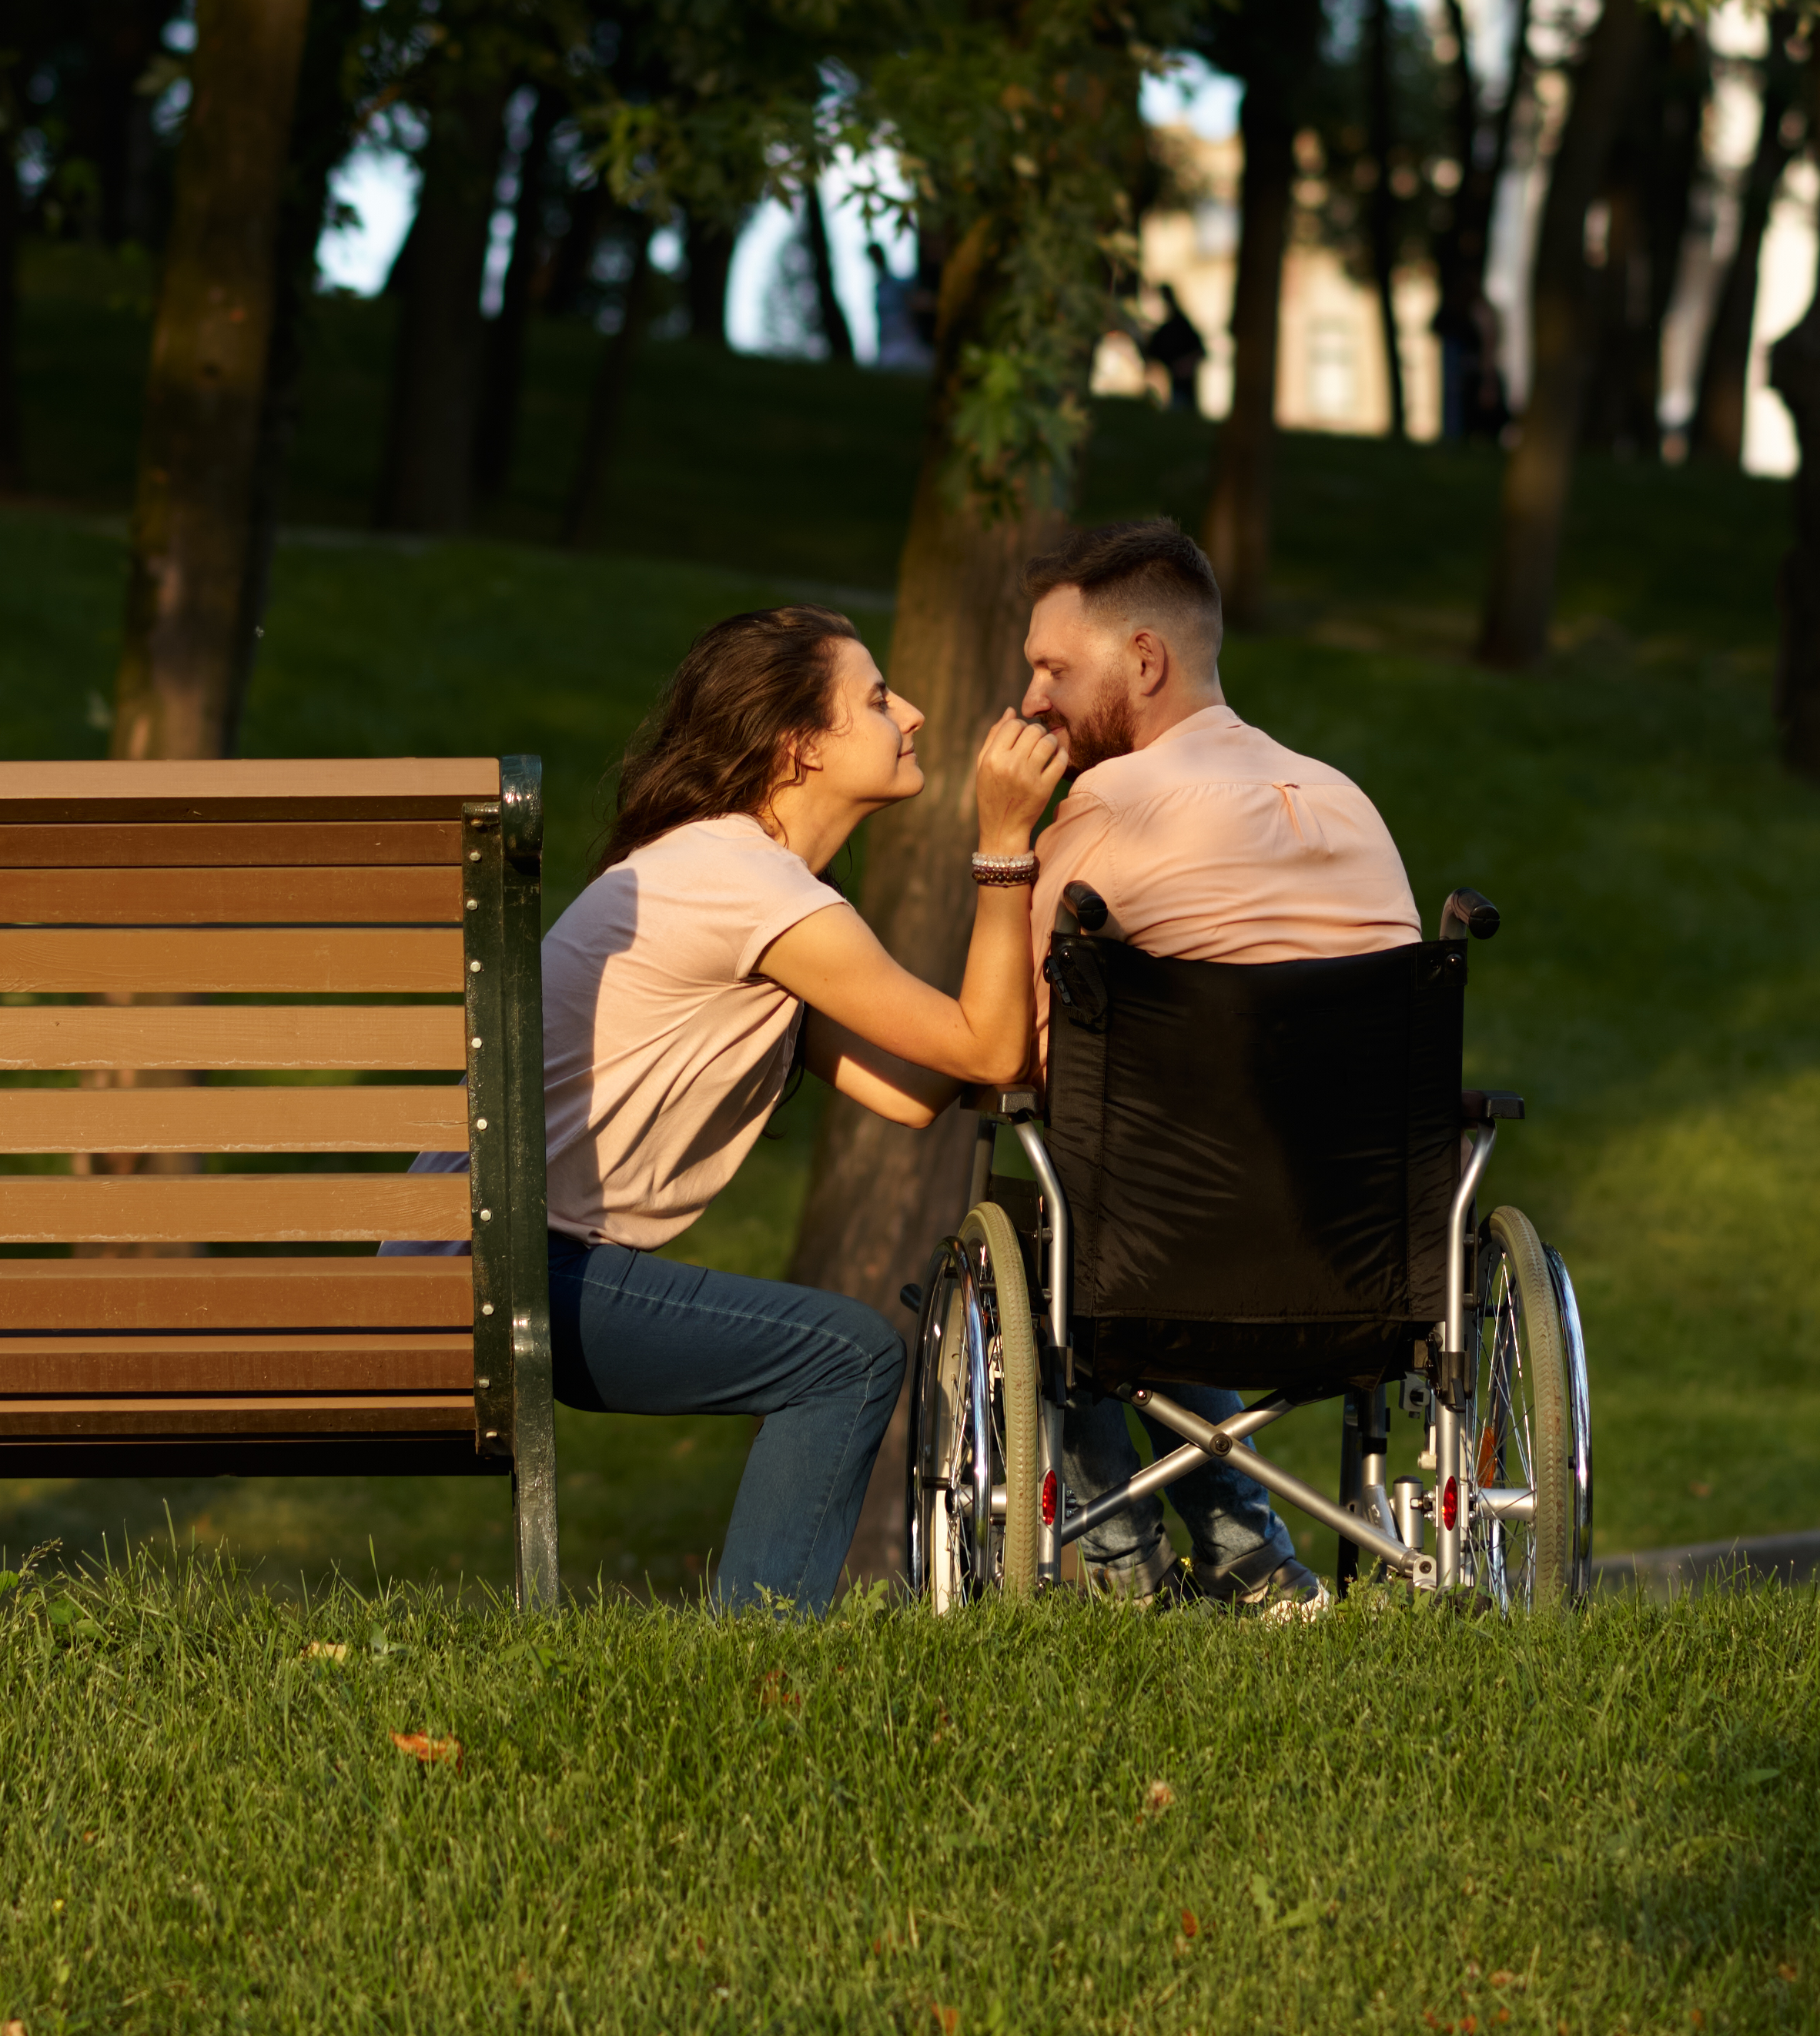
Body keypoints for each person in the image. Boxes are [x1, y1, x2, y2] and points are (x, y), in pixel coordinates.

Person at [458, 606, 1060, 1613]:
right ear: (799, 747)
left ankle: (754, 1646)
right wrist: (1006, 844)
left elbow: (912, 1091)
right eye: (874, 699)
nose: (909, 713)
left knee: (839, 1354)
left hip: (487, 1258)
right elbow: (984, 1050)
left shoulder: (733, 881)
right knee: (846, 1356)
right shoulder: (748, 886)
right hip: (512, 1268)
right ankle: (757, 1660)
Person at [1014, 515, 1422, 1615]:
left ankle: (1126, 1569)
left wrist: (1004, 843)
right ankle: (1255, 1558)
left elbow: (1010, 1046)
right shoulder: (1348, 802)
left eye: (1054, 668)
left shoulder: (1108, 809)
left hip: (1156, 1265)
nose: (1033, 702)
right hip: (1364, 1265)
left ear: (1143, 660)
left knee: (1052, 1201)